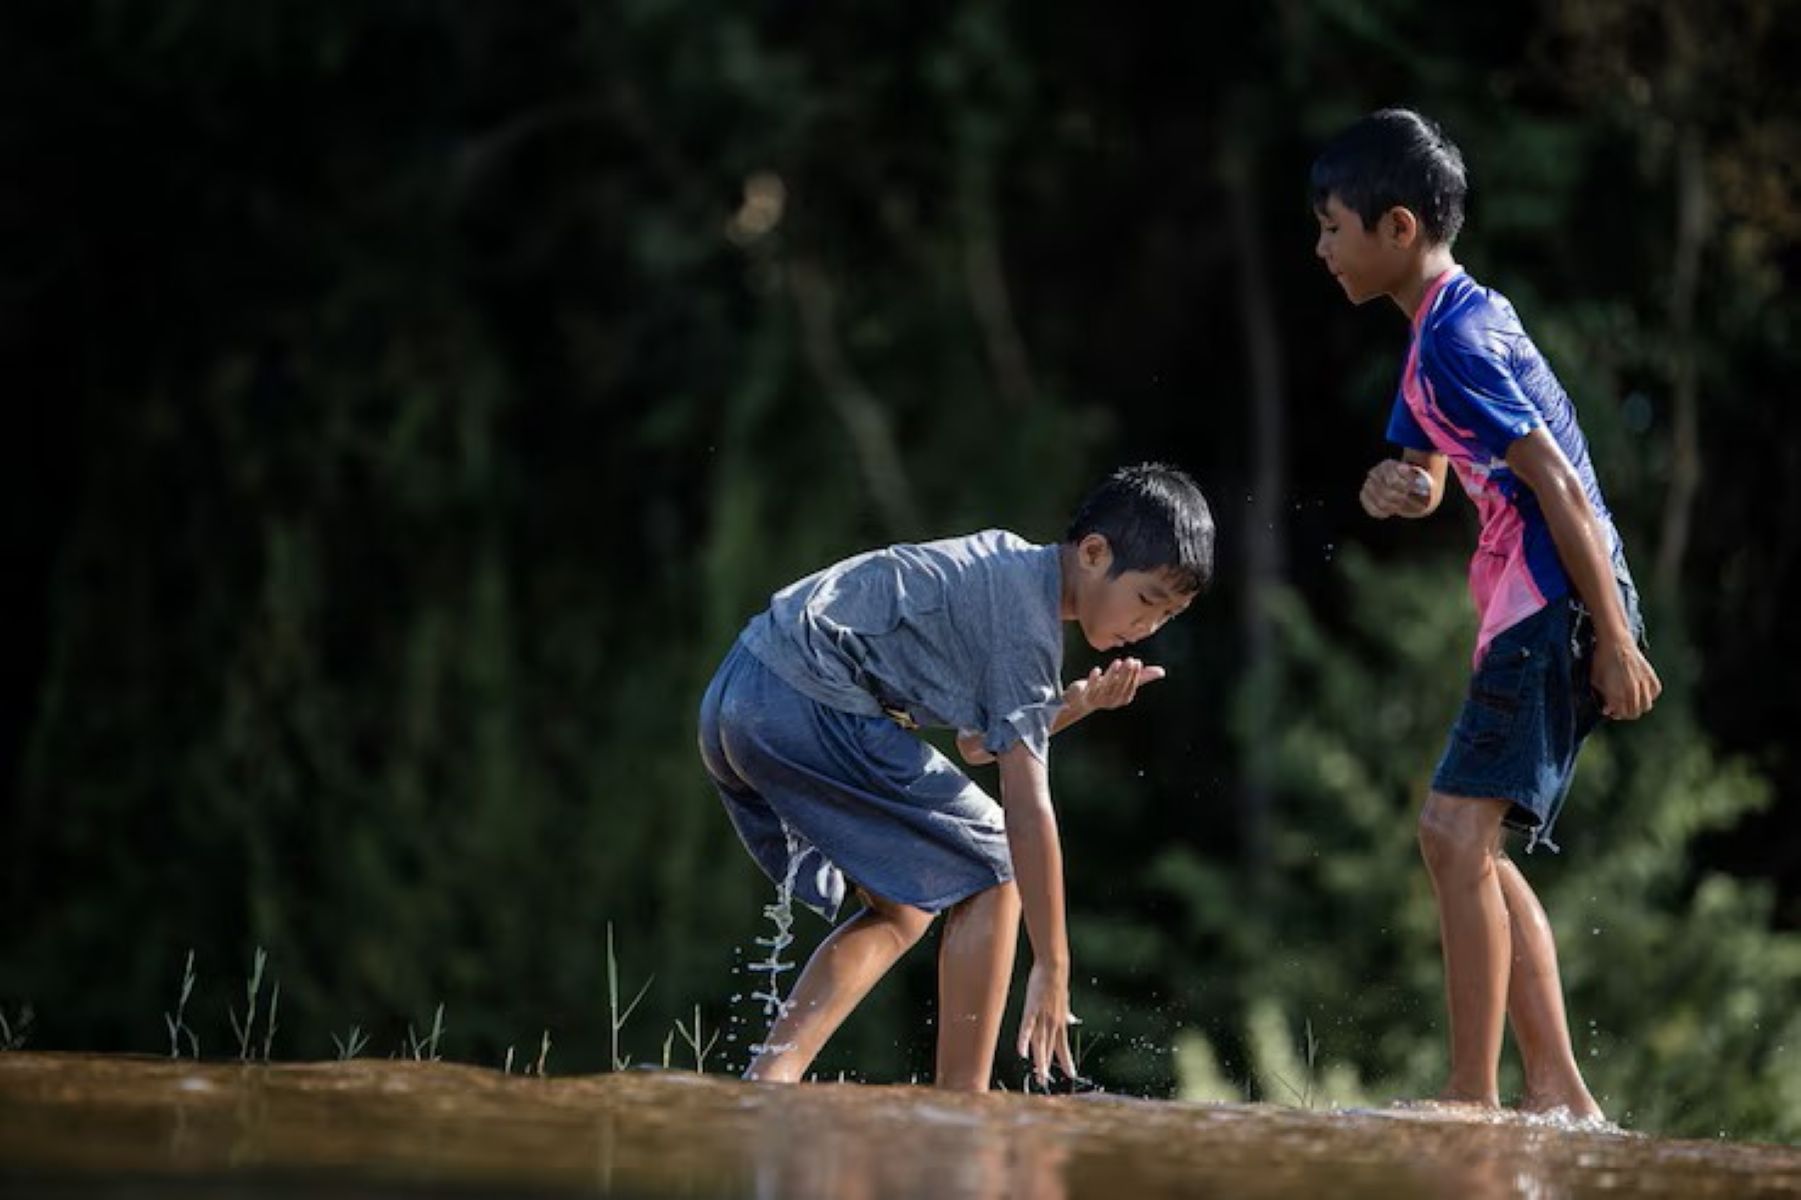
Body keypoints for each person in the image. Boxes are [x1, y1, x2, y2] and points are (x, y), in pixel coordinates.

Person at [1310, 108, 1661, 1118]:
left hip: (1553, 602)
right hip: (1534, 603)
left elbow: (1557, 480)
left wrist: (1614, 635)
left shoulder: (1456, 340)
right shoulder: (1443, 331)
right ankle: (1559, 1093)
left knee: (1450, 831)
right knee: (1469, 845)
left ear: (1398, 228)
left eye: (1332, 227)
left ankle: (1473, 1094)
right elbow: (1428, 476)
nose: (1322, 249)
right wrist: (1399, 491)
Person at [697, 463, 1215, 1091]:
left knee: (906, 908)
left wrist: (1074, 705)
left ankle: (769, 1079)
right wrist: (1052, 964)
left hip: (742, 691)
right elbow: (1026, 811)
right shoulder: (1024, 622)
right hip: (802, 697)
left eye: (1168, 616)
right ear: (1093, 553)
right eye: (1147, 601)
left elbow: (976, 745)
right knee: (997, 863)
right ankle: (964, 1105)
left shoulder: (1006, 576)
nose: (1148, 627)